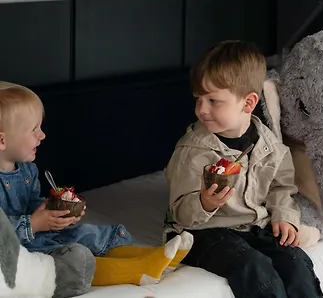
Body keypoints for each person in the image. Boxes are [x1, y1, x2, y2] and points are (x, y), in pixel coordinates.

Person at [0, 81, 192, 295]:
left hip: (37, 236)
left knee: (88, 234)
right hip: (17, 252)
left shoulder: (27, 169)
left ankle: (152, 257)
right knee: (71, 260)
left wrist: (55, 214)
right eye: (34, 129)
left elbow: (31, 204)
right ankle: (136, 270)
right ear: (2, 141)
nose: (42, 135)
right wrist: (34, 224)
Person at [166, 40, 323, 298]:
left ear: (248, 103)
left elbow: (280, 188)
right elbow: (180, 213)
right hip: (203, 231)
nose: (201, 109)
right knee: (256, 269)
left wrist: (284, 216)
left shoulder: (271, 147)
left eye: (213, 100)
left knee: (296, 263)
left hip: (252, 225)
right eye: (198, 99)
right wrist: (204, 202)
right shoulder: (192, 152)